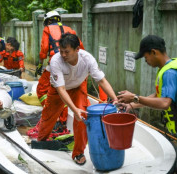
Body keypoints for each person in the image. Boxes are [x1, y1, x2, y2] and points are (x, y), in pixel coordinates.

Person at [117, 35, 177, 174]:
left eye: (145, 56)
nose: (146, 60)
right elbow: (158, 95)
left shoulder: (170, 73)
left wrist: (135, 97)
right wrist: (131, 105)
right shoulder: (172, 65)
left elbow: (165, 103)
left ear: (154, 52)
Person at [37, 33, 118, 165]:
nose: (63, 55)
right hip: (58, 89)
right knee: (48, 116)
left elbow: (101, 81)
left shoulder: (88, 59)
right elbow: (61, 89)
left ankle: (78, 152)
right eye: (61, 51)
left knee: (82, 117)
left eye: (67, 52)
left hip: (78, 86)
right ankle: (41, 140)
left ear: (77, 50)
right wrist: (73, 109)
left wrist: (115, 98)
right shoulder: (56, 60)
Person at [35, 10, 85, 131]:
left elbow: (44, 49)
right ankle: (62, 121)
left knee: (41, 89)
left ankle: (54, 118)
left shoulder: (47, 29)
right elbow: (81, 48)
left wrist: (40, 65)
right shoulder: (70, 30)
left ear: (47, 21)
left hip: (56, 64)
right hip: (71, 64)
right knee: (64, 92)